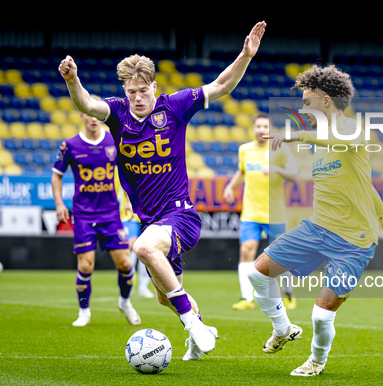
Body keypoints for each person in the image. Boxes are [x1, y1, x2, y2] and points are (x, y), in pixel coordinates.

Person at [58, 21, 266, 359]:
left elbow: (222, 84)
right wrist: (72, 80)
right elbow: (86, 105)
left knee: (142, 248)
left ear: (154, 86)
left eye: (143, 91)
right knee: (163, 294)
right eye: (131, 92)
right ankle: (199, 333)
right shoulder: (118, 113)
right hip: (150, 219)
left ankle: (193, 325)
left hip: (180, 214)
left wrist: (245, 56)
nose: (137, 98)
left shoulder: (176, 106)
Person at [248, 64, 383, 376]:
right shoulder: (320, 142)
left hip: (354, 241)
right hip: (317, 229)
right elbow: (364, 183)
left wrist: (298, 134)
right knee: (258, 274)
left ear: (326, 101)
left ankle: (316, 361)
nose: (304, 109)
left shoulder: (352, 130)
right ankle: (282, 329)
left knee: (321, 316)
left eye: (308, 102)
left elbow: (347, 144)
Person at [51, 104, 141, 328]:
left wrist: (130, 199)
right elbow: (57, 175)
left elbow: (128, 170)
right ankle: (84, 312)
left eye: (96, 115)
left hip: (111, 214)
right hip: (83, 215)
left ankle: (125, 302)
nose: (93, 119)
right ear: (82, 115)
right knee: (86, 266)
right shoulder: (70, 146)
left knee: (125, 264)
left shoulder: (114, 140)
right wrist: (60, 203)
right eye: (88, 114)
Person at [223, 113, 299, 311]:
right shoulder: (245, 150)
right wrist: (231, 187)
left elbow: (294, 175)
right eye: (258, 126)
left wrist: (276, 169)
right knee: (246, 251)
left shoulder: (280, 150)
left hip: (275, 214)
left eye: (265, 127)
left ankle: (288, 293)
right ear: (254, 128)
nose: (262, 130)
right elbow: (242, 171)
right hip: (250, 213)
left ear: (270, 130)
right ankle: (246, 298)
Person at [115, 172, 154, 298]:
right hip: (128, 215)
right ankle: (128, 283)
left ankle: (143, 286)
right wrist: (128, 201)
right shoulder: (122, 167)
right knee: (129, 248)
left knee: (146, 250)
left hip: (145, 216)